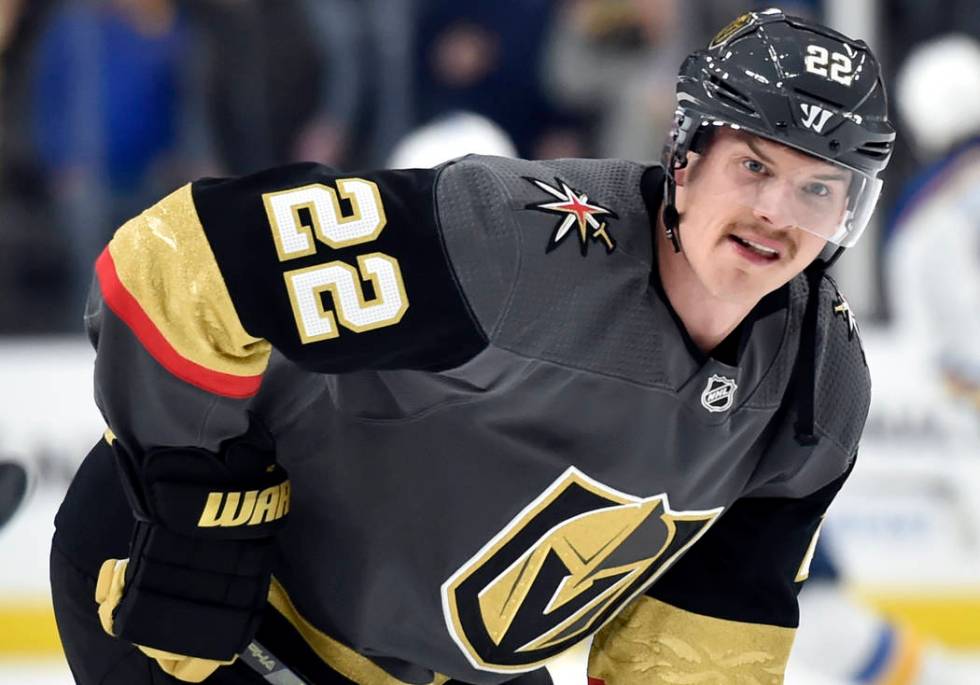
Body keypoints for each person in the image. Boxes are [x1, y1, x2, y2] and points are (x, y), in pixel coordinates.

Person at [50, 8, 894, 685]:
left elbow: (709, 631)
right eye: (753, 168)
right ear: (685, 156)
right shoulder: (513, 247)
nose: (779, 214)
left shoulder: (815, 388)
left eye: (819, 187)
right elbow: (181, 258)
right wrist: (195, 502)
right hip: (221, 599)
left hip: (434, 663)